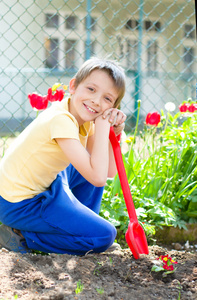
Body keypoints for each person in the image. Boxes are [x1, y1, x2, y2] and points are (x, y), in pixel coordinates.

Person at [0, 57, 126, 255]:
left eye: (107, 98)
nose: (96, 101)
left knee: (92, 166)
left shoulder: (83, 117)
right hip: (20, 204)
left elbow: (107, 172)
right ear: (74, 86)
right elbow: (99, 176)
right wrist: (103, 126)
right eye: (91, 89)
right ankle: (20, 234)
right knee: (104, 236)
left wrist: (113, 133)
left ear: (113, 107)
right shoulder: (60, 120)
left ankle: (80, 227)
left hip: (47, 183)